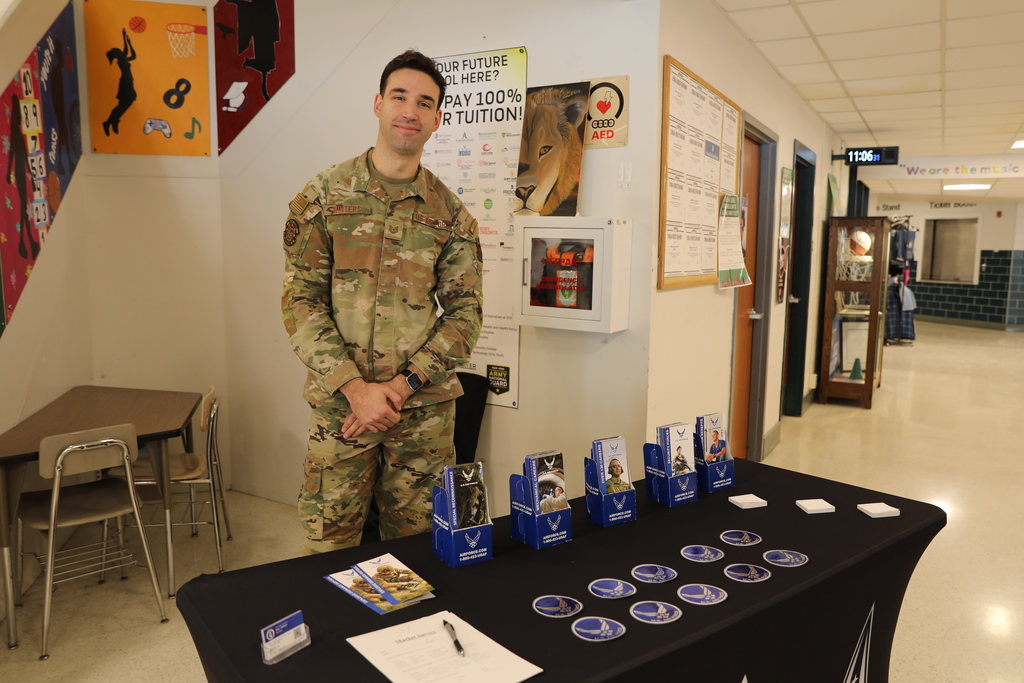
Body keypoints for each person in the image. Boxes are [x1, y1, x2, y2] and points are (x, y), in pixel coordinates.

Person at [283, 50, 483, 555]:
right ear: (378, 103)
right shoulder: (325, 196)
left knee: (419, 551)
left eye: (424, 102)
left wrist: (398, 388)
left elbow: (465, 316)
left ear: (437, 119)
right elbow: (301, 301)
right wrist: (356, 389)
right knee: (330, 548)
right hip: (341, 410)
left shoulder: (452, 216)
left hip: (421, 416)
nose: (410, 111)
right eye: (399, 96)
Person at [103, 29, 136, 136]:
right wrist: (124, 38)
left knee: (125, 104)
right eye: (119, 51)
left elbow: (134, 56)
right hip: (126, 83)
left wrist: (129, 43)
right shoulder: (121, 60)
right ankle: (111, 122)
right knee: (124, 104)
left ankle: (112, 121)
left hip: (128, 82)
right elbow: (125, 51)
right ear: (117, 54)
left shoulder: (124, 59)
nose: (121, 52)